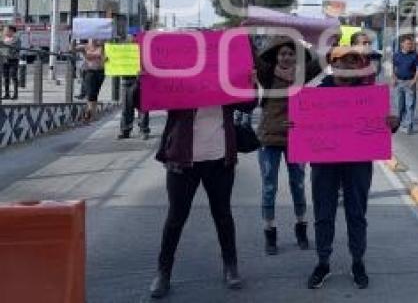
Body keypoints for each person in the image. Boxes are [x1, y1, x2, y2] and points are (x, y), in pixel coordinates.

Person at [306, 45, 400, 290]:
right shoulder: (316, 93)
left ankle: (357, 261)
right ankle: (322, 262)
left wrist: (393, 122)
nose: (346, 65)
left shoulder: (369, 95)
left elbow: (385, 124)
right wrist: (295, 125)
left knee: (356, 213)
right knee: (323, 214)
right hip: (324, 163)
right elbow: (303, 125)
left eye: (352, 61)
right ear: (332, 64)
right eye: (341, 61)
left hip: (358, 163)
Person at [149, 99, 256, 298]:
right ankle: (163, 272)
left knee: (223, 214)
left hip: (220, 159)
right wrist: (144, 81)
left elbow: (248, 105)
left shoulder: (224, 72)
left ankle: (230, 266)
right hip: (182, 158)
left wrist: (249, 83)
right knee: (176, 218)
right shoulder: (180, 70)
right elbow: (145, 100)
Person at [255, 36, 322, 255]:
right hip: (269, 139)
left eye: (291, 54)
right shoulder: (266, 75)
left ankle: (301, 229)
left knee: (298, 184)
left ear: (296, 57)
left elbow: (323, 60)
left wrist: (334, 38)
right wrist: (244, 35)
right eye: (282, 54)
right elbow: (253, 59)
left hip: (296, 139)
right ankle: (269, 233)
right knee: (269, 186)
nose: (286, 57)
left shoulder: (302, 75)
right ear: (276, 57)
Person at [392, 35, 418, 133]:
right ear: (402, 44)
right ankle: (401, 122)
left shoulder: (414, 55)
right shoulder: (396, 55)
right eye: (408, 44)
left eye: (411, 44)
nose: (410, 45)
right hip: (399, 82)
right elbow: (394, 68)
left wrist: (414, 80)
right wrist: (394, 78)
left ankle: (409, 126)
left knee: (410, 105)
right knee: (400, 105)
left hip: (409, 82)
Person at [78, 39, 106, 124]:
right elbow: (71, 49)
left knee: (95, 93)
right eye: (92, 37)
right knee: (90, 93)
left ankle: (92, 114)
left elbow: (106, 59)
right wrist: (73, 40)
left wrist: (105, 57)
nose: (94, 39)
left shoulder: (102, 47)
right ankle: (88, 114)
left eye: (96, 37)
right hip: (89, 72)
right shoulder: (85, 47)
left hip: (100, 72)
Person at [118, 75, 150, 140]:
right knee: (126, 106)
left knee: (142, 105)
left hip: (141, 76)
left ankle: (143, 129)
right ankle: (126, 130)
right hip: (127, 76)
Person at [1, 25, 20, 100]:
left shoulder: (16, 39)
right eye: (4, 30)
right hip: (4, 60)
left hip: (13, 60)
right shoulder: (3, 39)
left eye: (6, 30)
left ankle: (15, 94)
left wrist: (5, 45)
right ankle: (7, 94)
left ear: (11, 31)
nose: (5, 31)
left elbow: (16, 49)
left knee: (13, 76)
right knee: (5, 77)